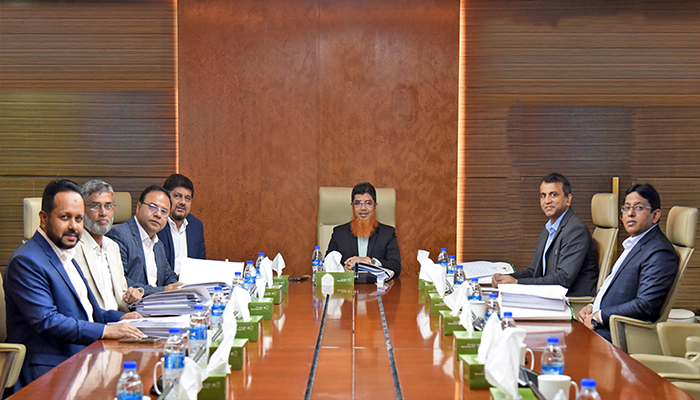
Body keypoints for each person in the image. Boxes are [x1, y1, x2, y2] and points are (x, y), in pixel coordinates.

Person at [4, 180, 145, 390]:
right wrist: (105, 330)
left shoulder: (65, 254)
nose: (73, 226)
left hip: (82, 357)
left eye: (78, 219)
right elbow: (48, 321)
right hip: (48, 371)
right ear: (43, 218)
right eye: (65, 217)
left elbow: (88, 312)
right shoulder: (27, 261)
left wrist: (122, 318)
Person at [578, 183, 678, 342]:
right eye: (626, 208)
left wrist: (599, 317)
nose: (630, 213)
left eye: (639, 208)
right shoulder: (635, 243)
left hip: (615, 334)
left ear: (655, 215)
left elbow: (645, 305)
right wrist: (593, 306)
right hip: (602, 326)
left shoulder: (659, 251)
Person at [492, 173, 598, 297]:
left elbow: (563, 279)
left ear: (568, 199)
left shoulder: (575, 230)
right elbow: (534, 271)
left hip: (570, 301)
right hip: (550, 296)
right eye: (543, 195)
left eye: (553, 195)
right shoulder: (548, 230)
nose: (547, 201)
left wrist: (517, 283)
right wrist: (506, 278)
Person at [74, 180, 143, 312]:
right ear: (82, 209)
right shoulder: (73, 248)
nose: (103, 213)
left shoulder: (113, 247)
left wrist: (132, 296)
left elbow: (122, 295)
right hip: (96, 321)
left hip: (122, 318)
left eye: (108, 206)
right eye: (95, 206)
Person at [106, 185, 183, 296]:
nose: (158, 214)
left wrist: (176, 286)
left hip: (157, 304)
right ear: (138, 207)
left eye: (164, 211)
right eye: (153, 207)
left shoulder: (158, 244)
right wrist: (163, 291)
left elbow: (168, 276)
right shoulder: (119, 235)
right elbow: (119, 281)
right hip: (131, 305)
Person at [326, 182, 401, 277]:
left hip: (377, 285)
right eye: (358, 203)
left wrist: (371, 261)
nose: (363, 208)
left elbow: (396, 267)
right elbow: (327, 264)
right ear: (352, 206)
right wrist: (343, 269)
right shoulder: (339, 233)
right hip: (348, 285)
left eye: (368, 203)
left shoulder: (387, 233)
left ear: (375, 206)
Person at [157, 173, 206, 276]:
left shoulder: (196, 226)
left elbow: (201, 264)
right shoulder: (157, 223)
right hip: (165, 284)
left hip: (191, 283)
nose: (183, 202)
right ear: (166, 198)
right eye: (177, 196)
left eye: (187, 198)